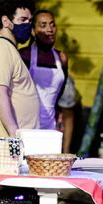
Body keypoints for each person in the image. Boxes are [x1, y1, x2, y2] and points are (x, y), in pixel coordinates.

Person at [0, 0, 39, 137]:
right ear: (6, 21)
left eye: (29, 21)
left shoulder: (8, 48)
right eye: (22, 20)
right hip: (10, 147)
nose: (27, 25)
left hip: (22, 142)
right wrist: (13, 133)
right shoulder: (1, 48)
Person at [19, 10, 76, 152]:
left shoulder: (61, 58)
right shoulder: (23, 56)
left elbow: (60, 91)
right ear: (33, 31)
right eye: (43, 25)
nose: (49, 29)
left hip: (51, 128)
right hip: (27, 127)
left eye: (52, 25)